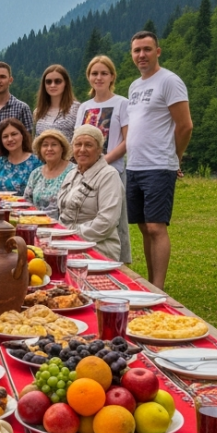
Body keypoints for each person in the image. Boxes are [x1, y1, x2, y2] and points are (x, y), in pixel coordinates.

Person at [125, 30, 192, 289]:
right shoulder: (134, 86)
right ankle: (151, 283)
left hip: (159, 165)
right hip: (135, 165)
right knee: (143, 226)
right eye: (137, 50)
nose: (141, 55)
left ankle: (159, 288)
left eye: (147, 49)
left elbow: (185, 125)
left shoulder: (169, 81)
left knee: (156, 227)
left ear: (158, 51)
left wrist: (174, 158)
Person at [78, 55, 132, 263]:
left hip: (112, 170)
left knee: (114, 220)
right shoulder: (84, 107)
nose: (99, 77)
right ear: (89, 77)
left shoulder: (121, 103)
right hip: (86, 173)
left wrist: (103, 162)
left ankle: (120, 261)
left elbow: (127, 141)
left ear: (112, 77)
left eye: (104, 73)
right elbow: (78, 139)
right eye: (94, 73)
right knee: (89, 219)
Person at [56, 125, 124, 262]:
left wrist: (70, 236)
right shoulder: (71, 174)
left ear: (99, 149)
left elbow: (106, 222)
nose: (82, 150)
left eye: (88, 145)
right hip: (66, 243)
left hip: (98, 247)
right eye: (78, 144)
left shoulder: (109, 175)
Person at [23, 130, 74, 219]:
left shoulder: (73, 171)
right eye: (45, 145)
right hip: (37, 224)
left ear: (62, 148)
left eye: (54, 145)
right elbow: (26, 202)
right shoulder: (36, 173)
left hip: (63, 226)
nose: (49, 149)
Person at [0, 118, 42, 194]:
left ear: (22, 135)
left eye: (14, 134)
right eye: (5, 136)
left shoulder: (36, 163)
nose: (10, 139)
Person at [33, 64, 80, 141]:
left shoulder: (77, 109)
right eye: (48, 82)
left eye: (58, 81)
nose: (52, 85)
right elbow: (36, 141)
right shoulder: (38, 111)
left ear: (65, 83)